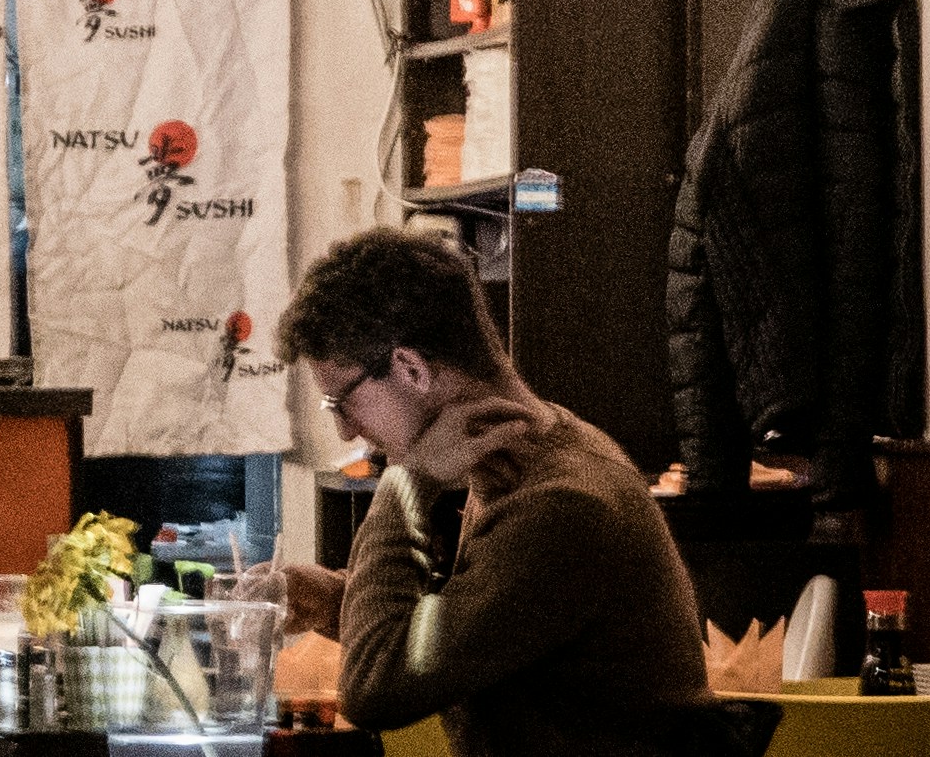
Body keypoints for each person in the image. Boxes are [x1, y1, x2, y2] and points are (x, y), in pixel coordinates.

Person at [262, 228, 739, 757]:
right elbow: (465, 635)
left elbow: (377, 691)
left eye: (340, 402)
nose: (346, 432)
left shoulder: (564, 504)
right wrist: (332, 601)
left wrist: (407, 484)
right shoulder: (539, 456)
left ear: (410, 368)